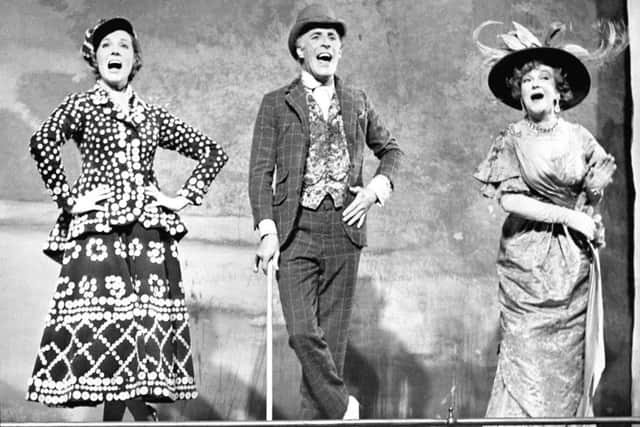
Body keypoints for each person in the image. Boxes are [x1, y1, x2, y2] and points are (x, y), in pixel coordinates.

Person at [26, 17, 228, 421]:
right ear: (94, 58)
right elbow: (43, 141)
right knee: (109, 328)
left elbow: (212, 151)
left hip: (147, 235)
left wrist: (180, 198)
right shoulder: (82, 105)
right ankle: (138, 411)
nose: (114, 51)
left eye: (123, 46)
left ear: (135, 59)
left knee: (140, 326)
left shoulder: (150, 116)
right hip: (98, 232)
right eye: (106, 46)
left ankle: (133, 412)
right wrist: (69, 200)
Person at [248, 3, 403, 420]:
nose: (327, 43)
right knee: (302, 333)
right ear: (299, 49)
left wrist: (373, 191)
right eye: (316, 36)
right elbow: (260, 173)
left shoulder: (356, 100)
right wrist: (266, 232)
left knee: (329, 351)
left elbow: (390, 151)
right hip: (294, 231)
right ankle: (343, 408)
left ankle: (321, 417)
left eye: (333, 37)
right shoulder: (276, 104)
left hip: (344, 230)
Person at [473, 21, 625, 418]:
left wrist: (592, 198)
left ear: (559, 91)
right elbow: (509, 200)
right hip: (525, 262)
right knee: (523, 356)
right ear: (519, 94)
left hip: (573, 267)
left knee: (567, 366)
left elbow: (591, 203)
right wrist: (570, 218)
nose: (534, 84)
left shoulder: (580, 139)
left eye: (543, 78)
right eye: (526, 81)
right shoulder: (512, 139)